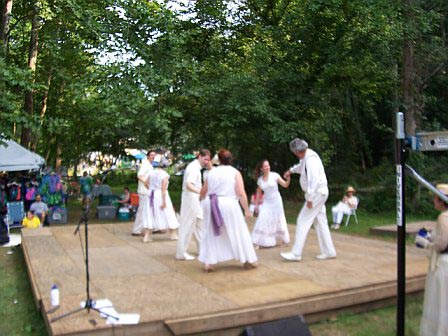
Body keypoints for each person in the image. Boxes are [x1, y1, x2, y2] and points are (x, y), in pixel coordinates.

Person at [198, 149, 258, 272]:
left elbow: (203, 192)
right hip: (228, 203)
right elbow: (241, 193)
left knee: (211, 232)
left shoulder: (212, 173)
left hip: (212, 203)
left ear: (218, 160)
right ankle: (247, 260)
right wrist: (246, 210)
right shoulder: (234, 172)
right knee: (238, 230)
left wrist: (203, 202)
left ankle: (209, 262)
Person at [280, 138, 336, 262]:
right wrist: (290, 171)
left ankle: (296, 253)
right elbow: (301, 167)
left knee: (302, 221)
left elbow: (314, 180)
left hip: (317, 194)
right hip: (319, 193)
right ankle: (329, 251)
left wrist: (310, 198)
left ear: (296, 151)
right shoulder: (307, 157)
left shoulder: (311, 160)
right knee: (320, 222)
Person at [416, 184, 448, 336]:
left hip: (443, 264)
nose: (433, 200)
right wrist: (430, 236)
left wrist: (426, 243)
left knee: (440, 300)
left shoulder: (444, 217)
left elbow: (442, 244)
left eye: (435, 197)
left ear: (442, 201)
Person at [176, 149, 211, 260]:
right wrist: (201, 192)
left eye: (208, 160)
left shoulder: (196, 167)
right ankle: (181, 253)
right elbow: (188, 185)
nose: (206, 162)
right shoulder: (194, 168)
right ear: (199, 156)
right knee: (187, 225)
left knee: (200, 224)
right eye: (205, 159)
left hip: (194, 199)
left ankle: (202, 250)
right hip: (190, 199)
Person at [251, 159, 291, 249]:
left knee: (279, 219)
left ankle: (283, 239)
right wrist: (256, 205)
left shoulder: (275, 175)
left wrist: (288, 179)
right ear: (261, 169)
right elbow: (258, 192)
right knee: (263, 218)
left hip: (276, 201)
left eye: (268, 165)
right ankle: (259, 241)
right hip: (267, 202)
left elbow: (285, 185)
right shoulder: (260, 180)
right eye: (265, 166)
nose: (268, 167)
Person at [145, 158, 179, 242]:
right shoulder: (165, 175)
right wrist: (164, 202)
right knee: (168, 212)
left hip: (150, 194)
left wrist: (151, 189)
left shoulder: (151, 172)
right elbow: (163, 189)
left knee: (150, 213)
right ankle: (173, 234)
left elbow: (146, 183)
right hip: (159, 194)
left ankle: (147, 235)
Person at [131, 150, 155, 236]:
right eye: (151, 155)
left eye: (154, 155)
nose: (153, 157)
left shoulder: (149, 165)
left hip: (147, 191)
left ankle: (151, 227)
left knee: (149, 209)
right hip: (144, 191)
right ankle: (136, 230)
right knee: (142, 210)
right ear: (148, 156)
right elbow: (139, 175)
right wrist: (146, 183)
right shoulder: (145, 164)